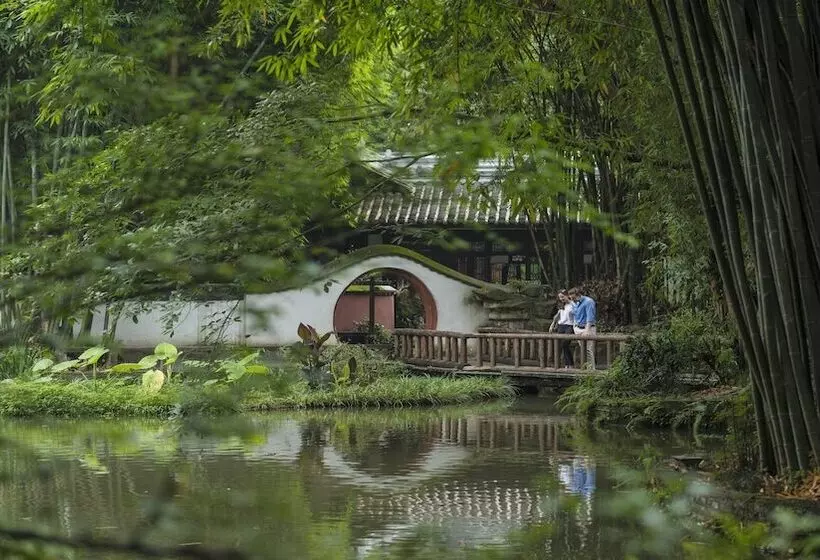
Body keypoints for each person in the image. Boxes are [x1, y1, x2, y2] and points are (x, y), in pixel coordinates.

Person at [568, 287, 597, 369]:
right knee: (583, 349)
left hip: (587, 327)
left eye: (573, 298)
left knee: (588, 350)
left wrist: (587, 330)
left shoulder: (588, 302)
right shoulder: (575, 302)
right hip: (578, 327)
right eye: (571, 298)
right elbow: (575, 314)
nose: (572, 300)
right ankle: (585, 368)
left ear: (578, 295)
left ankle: (591, 370)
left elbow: (590, 317)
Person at [549, 290, 575, 368]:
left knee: (565, 343)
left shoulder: (573, 304)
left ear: (567, 295)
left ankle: (569, 363)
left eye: (563, 297)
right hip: (561, 325)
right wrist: (552, 325)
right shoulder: (561, 305)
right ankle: (567, 364)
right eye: (560, 297)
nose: (561, 299)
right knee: (561, 345)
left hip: (569, 325)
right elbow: (557, 316)